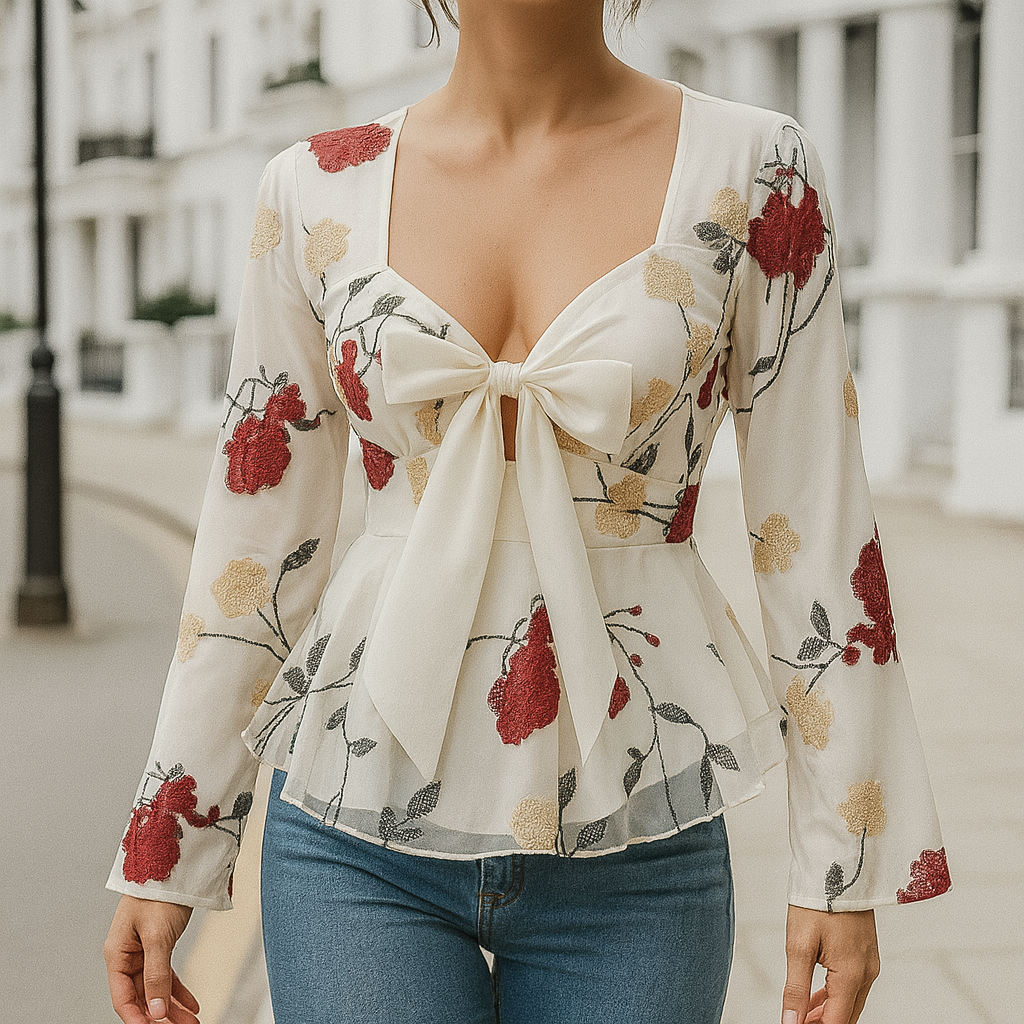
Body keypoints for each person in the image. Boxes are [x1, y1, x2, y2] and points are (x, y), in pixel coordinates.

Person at [104, 2, 951, 1022]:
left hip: (638, 830)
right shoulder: (312, 185)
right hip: (350, 839)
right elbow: (256, 526)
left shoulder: (756, 162)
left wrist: (840, 861)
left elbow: (815, 521)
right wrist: (170, 840)